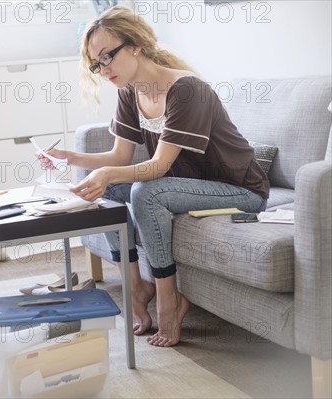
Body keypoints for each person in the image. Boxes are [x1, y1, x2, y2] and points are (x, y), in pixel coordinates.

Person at [39, 5, 269, 347]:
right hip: (191, 187)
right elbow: (120, 157)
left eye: (107, 57)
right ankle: (137, 286)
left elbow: (158, 167)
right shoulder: (130, 91)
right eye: (96, 63)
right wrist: (70, 156)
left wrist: (108, 173)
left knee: (145, 192)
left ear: (135, 45)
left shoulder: (187, 90)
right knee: (105, 193)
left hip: (239, 190)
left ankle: (168, 300)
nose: (103, 69)